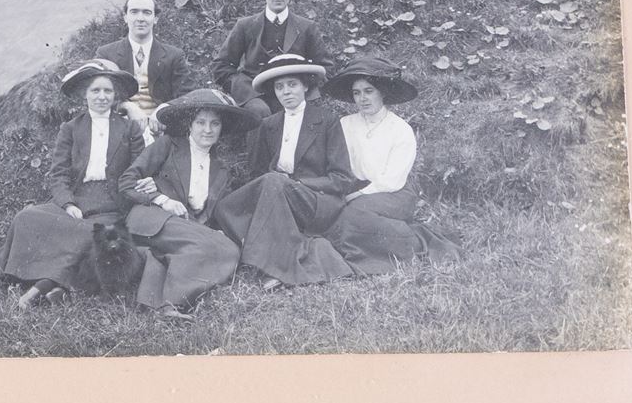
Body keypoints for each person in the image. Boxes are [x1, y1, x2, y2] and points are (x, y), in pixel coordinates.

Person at [0, 59, 142, 308]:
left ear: (116, 94)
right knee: (27, 216)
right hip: (77, 197)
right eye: (95, 91)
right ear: (84, 95)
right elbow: (59, 174)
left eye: (107, 91)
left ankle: (38, 288)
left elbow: (139, 169)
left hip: (110, 203)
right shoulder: (71, 128)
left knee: (91, 234)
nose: (101, 97)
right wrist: (67, 204)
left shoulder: (129, 129)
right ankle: (43, 281)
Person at [212, 53, 361, 287]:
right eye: (280, 87)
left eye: (292, 84)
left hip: (318, 199)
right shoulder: (269, 124)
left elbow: (341, 179)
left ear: (305, 86)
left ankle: (273, 268)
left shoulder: (327, 120)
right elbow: (257, 172)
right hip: (277, 194)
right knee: (225, 206)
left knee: (273, 182)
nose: (286, 92)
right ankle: (266, 253)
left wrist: (300, 184)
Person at [118, 87, 252, 319]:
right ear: (190, 125)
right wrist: (162, 199)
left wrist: (216, 231)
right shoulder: (168, 145)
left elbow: (211, 213)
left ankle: (166, 306)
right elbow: (127, 181)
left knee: (230, 249)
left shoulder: (221, 168)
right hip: (153, 219)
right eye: (201, 122)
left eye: (215, 124)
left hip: (187, 229)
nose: (208, 130)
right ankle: (173, 301)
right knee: (220, 248)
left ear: (222, 128)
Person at [324, 54, 458, 274]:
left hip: (395, 192)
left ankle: (413, 243)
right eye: (357, 93)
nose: (362, 99)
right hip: (355, 189)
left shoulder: (400, 129)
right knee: (334, 219)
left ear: (382, 92)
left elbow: (392, 179)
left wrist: (355, 196)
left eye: (369, 91)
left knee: (353, 216)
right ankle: (393, 238)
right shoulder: (344, 125)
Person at [211, 0, 333, 125]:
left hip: (292, 92)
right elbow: (221, 66)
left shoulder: (306, 27)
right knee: (258, 111)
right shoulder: (245, 25)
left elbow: (326, 67)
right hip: (255, 94)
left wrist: (303, 87)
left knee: (298, 113)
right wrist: (244, 90)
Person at [93, 0, 192, 141]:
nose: (140, 18)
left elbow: (187, 96)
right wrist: (126, 106)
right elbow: (95, 94)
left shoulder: (174, 55)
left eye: (147, 12)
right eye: (134, 12)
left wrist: (165, 109)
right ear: (125, 17)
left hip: (162, 131)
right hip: (119, 131)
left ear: (155, 18)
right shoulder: (106, 53)